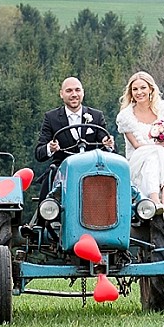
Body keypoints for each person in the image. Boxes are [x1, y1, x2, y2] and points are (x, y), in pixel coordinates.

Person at [30, 77, 115, 222]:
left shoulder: (96, 116)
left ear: (83, 93)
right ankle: (43, 221)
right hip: (63, 170)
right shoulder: (51, 118)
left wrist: (108, 144)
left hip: (93, 169)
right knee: (49, 176)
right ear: (61, 94)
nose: (74, 94)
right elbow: (39, 153)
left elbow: (107, 142)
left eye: (77, 90)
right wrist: (50, 148)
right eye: (69, 91)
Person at [115, 71, 164, 214]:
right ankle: (154, 199)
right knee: (153, 156)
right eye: (135, 89)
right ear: (130, 92)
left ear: (150, 89)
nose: (139, 92)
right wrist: (158, 147)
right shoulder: (126, 116)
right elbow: (136, 145)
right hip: (140, 156)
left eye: (143, 88)